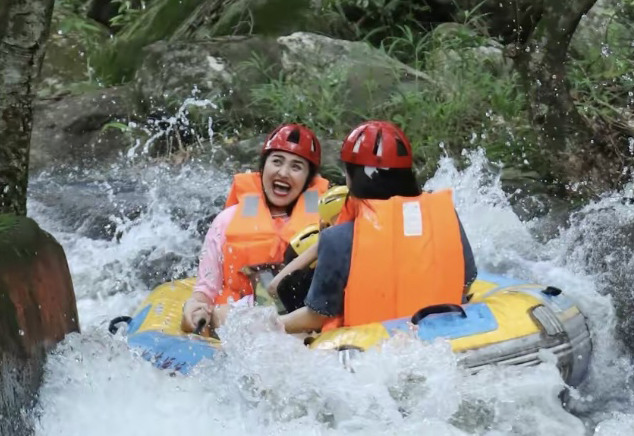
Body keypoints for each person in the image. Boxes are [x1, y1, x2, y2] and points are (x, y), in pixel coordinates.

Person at [278, 120, 477, 334]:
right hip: (450, 336)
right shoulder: (447, 216)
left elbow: (316, 316)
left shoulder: (337, 238)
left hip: (374, 348)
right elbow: (465, 284)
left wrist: (273, 325)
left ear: (353, 178)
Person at [180, 123, 329, 332]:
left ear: (308, 180)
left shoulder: (327, 224)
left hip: (301, 325)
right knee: (222, 313)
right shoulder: (226, 221)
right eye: (277, 161)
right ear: (263, 168)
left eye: (296, 167)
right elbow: (205, 290)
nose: (284, 172)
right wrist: (195, 308)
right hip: (236, 320)